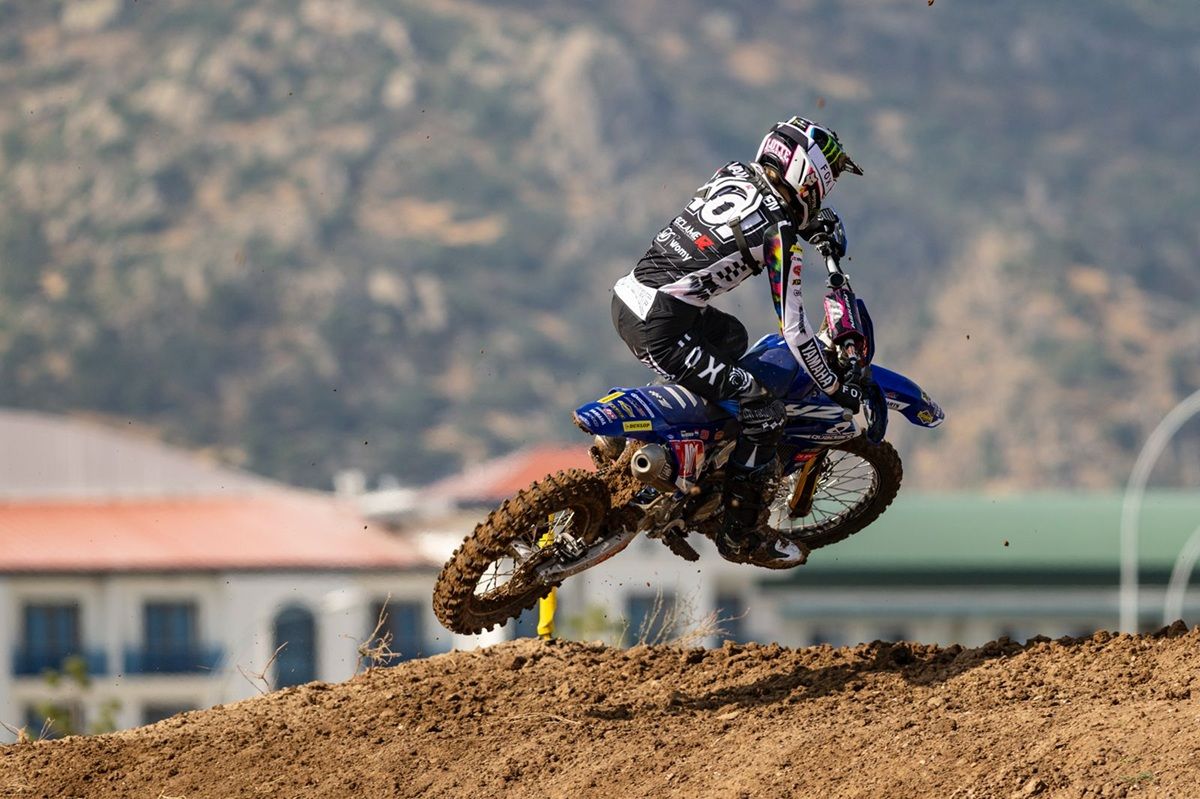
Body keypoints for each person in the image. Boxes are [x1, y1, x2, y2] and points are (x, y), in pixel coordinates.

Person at [611, 116, 864, 567]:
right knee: (764, 413)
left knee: (732, 338)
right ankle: (739, 535)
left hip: (629, 298)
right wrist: (832, 385)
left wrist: (803, 226)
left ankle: (681, 445)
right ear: (810, 179)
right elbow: (794, 329)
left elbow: (736, 224)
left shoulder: (732, 172)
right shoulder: (780, 235)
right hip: (662, 329)